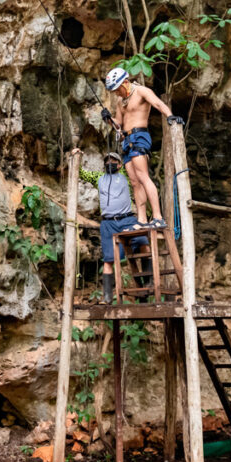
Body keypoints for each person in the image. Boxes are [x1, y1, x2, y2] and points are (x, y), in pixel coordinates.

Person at [101, 67, 178, 230]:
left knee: (143, 176)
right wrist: (109, 119)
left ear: (125, 82)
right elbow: (119, 125)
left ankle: (158, 217)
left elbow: (157, 103)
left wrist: (169, 115)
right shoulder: (120, 101)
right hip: (126, 139)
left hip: (139, 136)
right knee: (135, 182)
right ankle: (142, 219)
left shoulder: (142, 91)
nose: (116, 93)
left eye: (117, 89)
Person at [80, 152, 148, 304]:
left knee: (144, 244)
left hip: (128, 219)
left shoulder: (125, 174)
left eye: (113, 161)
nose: (109, 163)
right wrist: (75, 157)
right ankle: (107, 297)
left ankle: (148, 283)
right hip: (108, 223)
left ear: (119, 164)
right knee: (108, 260)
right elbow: (81, 173)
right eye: (107, 161)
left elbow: (132, 163)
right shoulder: (99, 178)